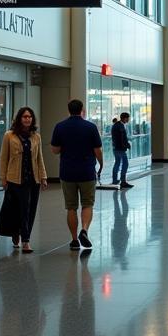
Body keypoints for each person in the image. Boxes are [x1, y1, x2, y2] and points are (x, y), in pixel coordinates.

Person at [50, 99, 103, 251]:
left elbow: (55, 150)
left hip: (67, 172)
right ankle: (84, 230)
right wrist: (101, 164)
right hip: (87, 171)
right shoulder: (91, 127)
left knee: (71, 207)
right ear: (82, 110)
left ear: (68, 110)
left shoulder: (60, 127)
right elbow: (97, 150)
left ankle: (74, 240)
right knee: (87, 204)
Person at [0, 105, 48, 253]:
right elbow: (3, 158)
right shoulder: (9, 136)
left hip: (32, 180)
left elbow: (39, 158)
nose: (27, 119)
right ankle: (16, 233)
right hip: (15, 179)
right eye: (25, 116)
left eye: (30, 117)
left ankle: (26, 239)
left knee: (29, 210)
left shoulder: (36, 137)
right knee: (16, 210)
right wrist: (3, 178)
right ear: (19, 119)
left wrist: (43, 176)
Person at [111, 112, 133, 189]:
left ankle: (114, 180)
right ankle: (123, 181)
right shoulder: (120, 126)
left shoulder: (116, 125)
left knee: (117, 163)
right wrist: (126, 145)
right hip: (120, 149)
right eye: (128, 118)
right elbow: (122, 138)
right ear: (124, 118)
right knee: (125, 164)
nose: (128, 119)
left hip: (116, 148)